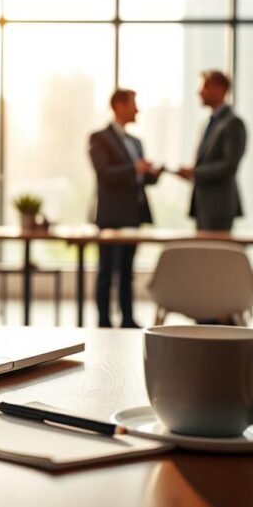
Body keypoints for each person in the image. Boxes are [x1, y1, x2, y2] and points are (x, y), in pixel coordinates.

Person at [88, 89, 163, 329]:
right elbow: (104, 173)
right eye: (133, 104)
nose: (137, 110)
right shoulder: (99, 138)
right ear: (119, 106)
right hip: (111, 216)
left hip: (133, 215)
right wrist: (135, 168)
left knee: (127, 271)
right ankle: (104, 320)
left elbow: (140, 178)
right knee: (106, 271)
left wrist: (152, 173)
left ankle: (128, 318)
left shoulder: (136, 142)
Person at [175, 70, 247, 232]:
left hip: (219, 205)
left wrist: (195, 172)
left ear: (219, 89)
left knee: (216, 248)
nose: (200, 92)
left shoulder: (233, 123)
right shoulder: (209, 123)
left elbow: (229, 165)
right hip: (203, 204)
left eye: (205, 87)